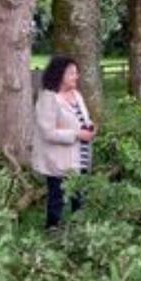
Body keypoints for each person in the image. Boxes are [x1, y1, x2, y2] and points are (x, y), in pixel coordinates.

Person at [32, 55, 96, 229]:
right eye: (72, 73)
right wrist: (76, 134)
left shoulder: (76, 95)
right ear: (59, 74)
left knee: (79, 194)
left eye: (77, 73)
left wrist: (89, 128)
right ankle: (53, 229)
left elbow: (83, 119)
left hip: (80, 155)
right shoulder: (48, 98)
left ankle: (78, 228)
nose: (77, 76)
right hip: (58, 159)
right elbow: (47, 132)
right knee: (57, 197)